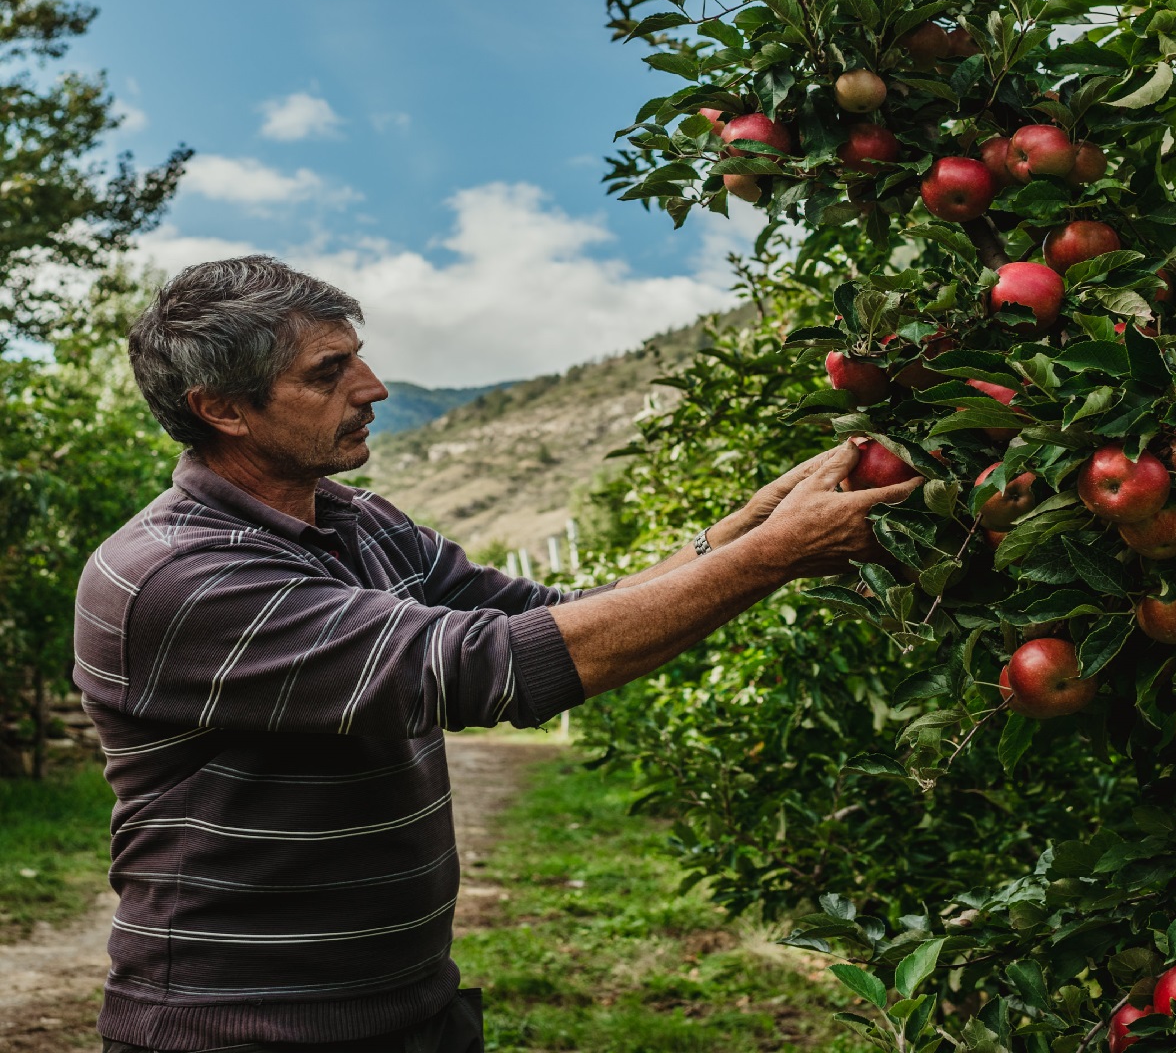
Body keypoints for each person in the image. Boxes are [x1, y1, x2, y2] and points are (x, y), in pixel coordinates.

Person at [75, 256, 918, 1053]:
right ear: (223, 408)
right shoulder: (179, 577)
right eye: (327, 374)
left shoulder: (356, 521)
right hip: (244, 1027)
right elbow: (486, 667)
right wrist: (774, 556)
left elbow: (552, 615)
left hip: (407, 1002)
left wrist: (753, 526)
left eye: (356, 361)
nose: (372, 390)